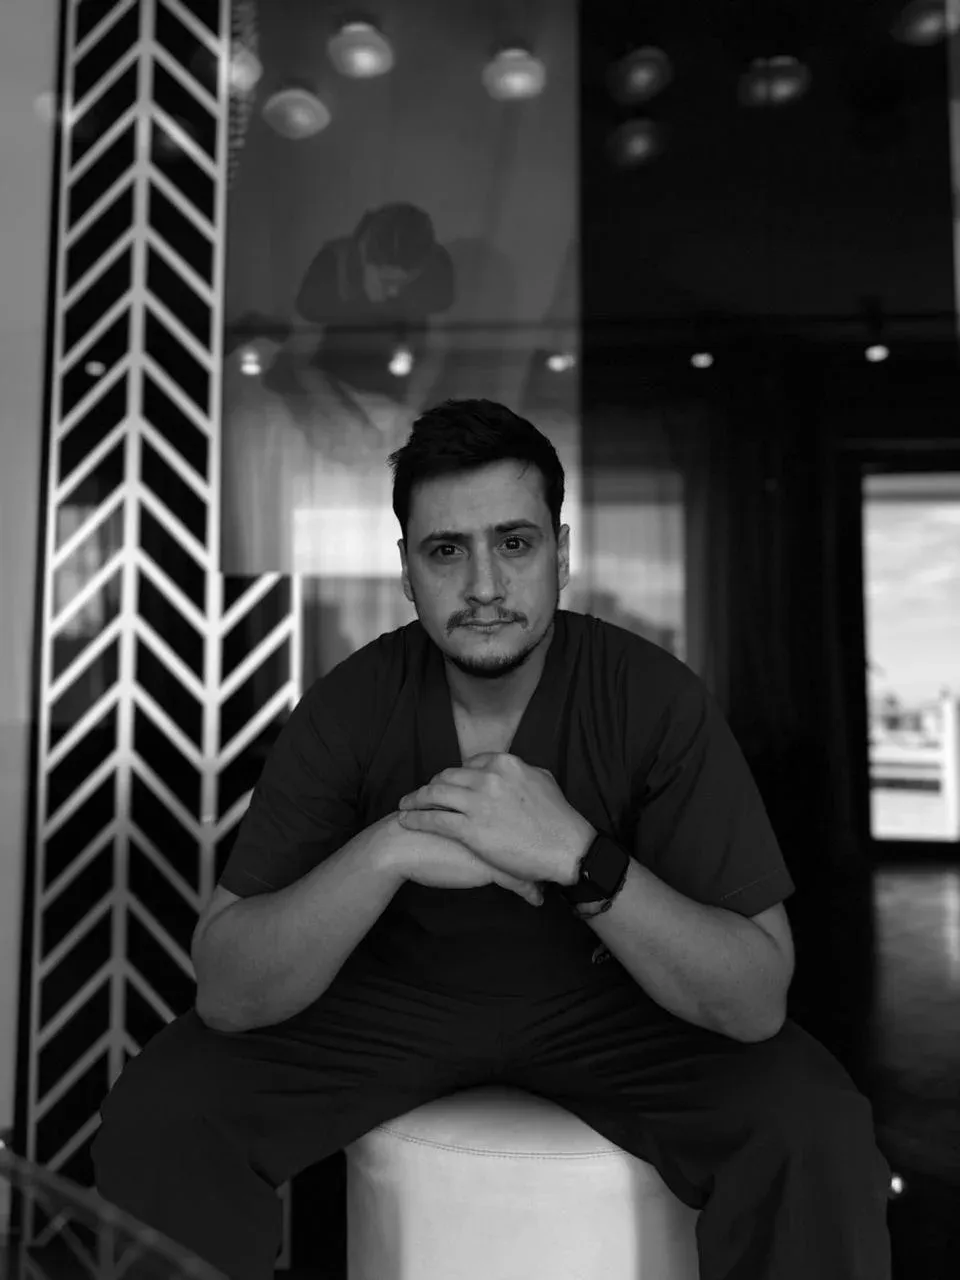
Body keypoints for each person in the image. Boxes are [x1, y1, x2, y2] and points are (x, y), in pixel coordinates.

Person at [92, 399, 893, 1280]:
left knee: (813, 1127)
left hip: (616, 1011)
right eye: (446, 551)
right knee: (164, 1114)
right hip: (388, 1008)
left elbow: (754, 999)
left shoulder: (652, 699)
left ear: (562, 553)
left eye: (514, 543)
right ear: (407, 570)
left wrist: (579, 856)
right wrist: (391, 845)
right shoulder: (351, 705)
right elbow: (228, 990)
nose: (483, 586)